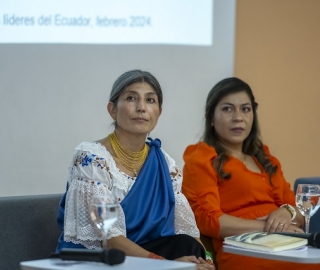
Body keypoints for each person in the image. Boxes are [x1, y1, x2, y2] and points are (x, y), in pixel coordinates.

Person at [56, 70, 214, 269]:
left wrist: (207, 259)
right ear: (112, 110)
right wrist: (168, 266)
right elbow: (109, 237)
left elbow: (187, 230)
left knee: (188, 245)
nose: (141, 108)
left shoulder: (165, 163)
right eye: (131, 98)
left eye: (150, 100)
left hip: (143, 254)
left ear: (159, 112)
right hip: (100, 260)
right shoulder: (93, 159)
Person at [182, 77, 318, 269]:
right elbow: (208, 221)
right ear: (211, 118)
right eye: (227, 109)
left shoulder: (266, 160)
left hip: (286, 244)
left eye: (245, 109)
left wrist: (286, 212)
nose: (238, 117)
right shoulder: (202, 158)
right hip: (243, 248)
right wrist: (269, 227)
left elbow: (300, 212)